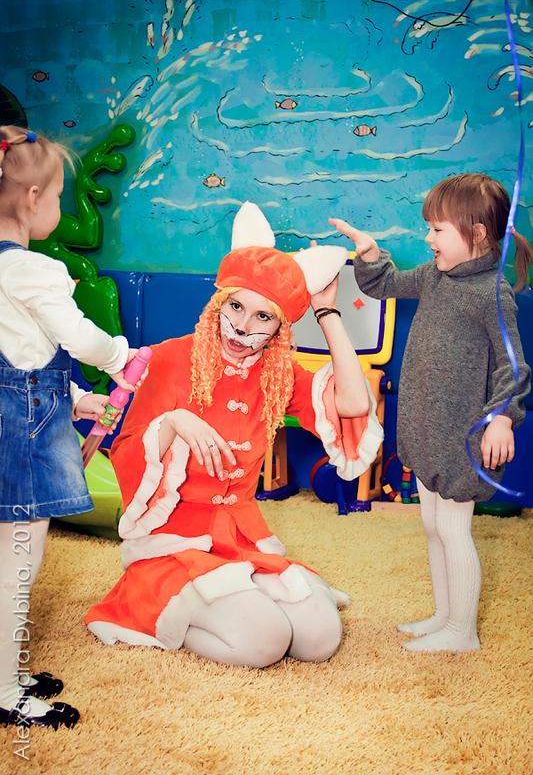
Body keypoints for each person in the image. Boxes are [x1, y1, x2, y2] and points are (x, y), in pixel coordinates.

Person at [85, 201, 383, 667]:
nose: (242, 327)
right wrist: (173, 422)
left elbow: (353, 405)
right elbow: (125, 452)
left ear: (280, 328)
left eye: (263, 317)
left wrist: (327, 313)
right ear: (219, 302)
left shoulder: (279, 374)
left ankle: (238, 597)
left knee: (320, 639)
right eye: (236, 307)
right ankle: (159, 609)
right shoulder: (169, 357)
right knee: (263, 643)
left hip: (242, 537)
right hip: (174, 541)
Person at [329, 172, 532, 653]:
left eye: (437, 229)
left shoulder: (493, 294)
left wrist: (502, 417)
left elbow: (514, 367)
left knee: (454, 530)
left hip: (462, 438)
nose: (428, 237)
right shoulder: (434, 276)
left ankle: (463, 633)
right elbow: (385, 284)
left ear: (476, 234)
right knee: (432, 525)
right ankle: (445, 616)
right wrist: (370, 253)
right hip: (426, 426)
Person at [0, 126, 140, 729]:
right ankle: (6, 690)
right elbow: (77, 338)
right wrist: (119, 356)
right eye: (58, 196)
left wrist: (77, 399)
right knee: (18, 564)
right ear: (33, 200)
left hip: (17, 415)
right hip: (23, 435)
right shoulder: (34, 270)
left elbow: (23, 357)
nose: (58, 207)